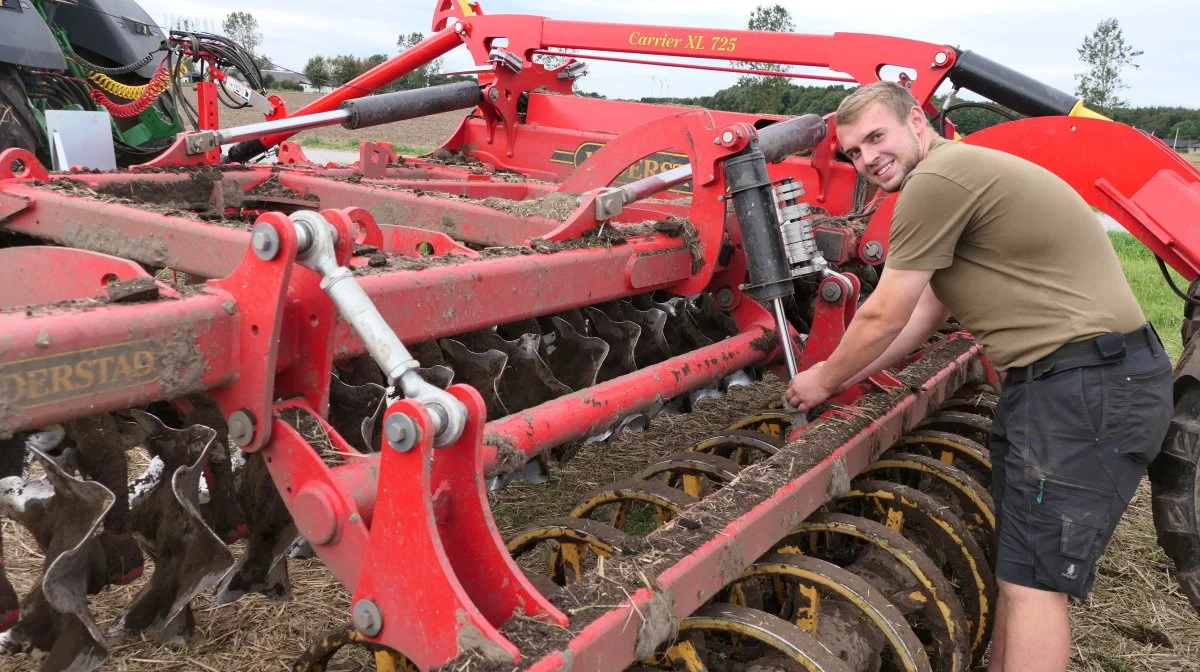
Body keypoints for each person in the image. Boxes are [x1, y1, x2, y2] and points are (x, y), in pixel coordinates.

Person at [784, 81, 1174, 672]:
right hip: (1065, 383)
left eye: (876, 137)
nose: (867, 158)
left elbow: (886, 311)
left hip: (1086, 386)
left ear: (917, 120)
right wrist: (840, 378)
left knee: (1038, 584)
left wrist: (820, 379)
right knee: (1019, 574)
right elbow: (920, 318)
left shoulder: (938, 180)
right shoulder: (958, 176)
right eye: (854, 152)